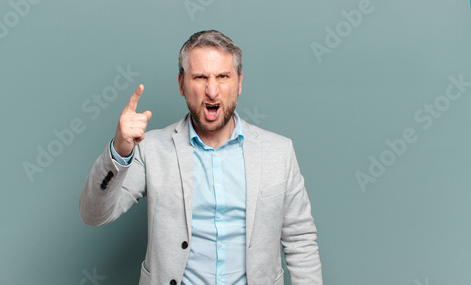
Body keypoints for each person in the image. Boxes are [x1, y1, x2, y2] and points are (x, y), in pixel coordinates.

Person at [79, 30, 323, 285]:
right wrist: (119, 150)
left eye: (223, 76)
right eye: (200, 77)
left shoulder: (278, 152)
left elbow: (300, 239)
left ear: (239, 83)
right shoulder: (150, 149)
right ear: (182, 84)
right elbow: (93, 215)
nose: (212, 91)